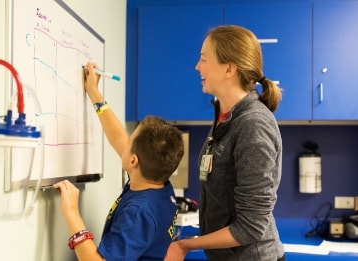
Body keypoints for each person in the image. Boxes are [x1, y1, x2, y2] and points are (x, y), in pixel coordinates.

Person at [164, 25, 285, 261]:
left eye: (203, 59)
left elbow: (250, 227)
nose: (197, 67)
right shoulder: (225, 115)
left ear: (229, 68)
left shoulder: (253, 125)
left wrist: (186, 246)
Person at [54, 62, 185, 260]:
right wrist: (95, 95)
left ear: (133, 161)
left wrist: (72, 213)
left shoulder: (138, 213)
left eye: (130, 139)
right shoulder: (159, 183)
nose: (125, 141)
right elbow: (120, 141)